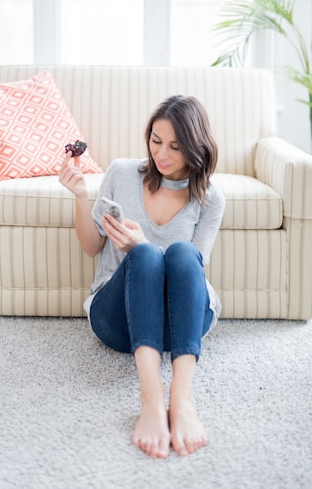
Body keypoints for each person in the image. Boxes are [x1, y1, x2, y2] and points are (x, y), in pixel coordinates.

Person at [59, 95, 225, 459]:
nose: (162, 154)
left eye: (176, 146)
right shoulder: (120, 173)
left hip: (182, 322)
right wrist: (81, 196)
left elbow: (194, 270)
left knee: (181, 252)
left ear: (195, 147)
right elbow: (91, 247)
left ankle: (182, 399)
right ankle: (151, 399)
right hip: (118, 319)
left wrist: (142, 241)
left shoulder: (210, 198)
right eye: (156, 141)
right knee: (146, 255)